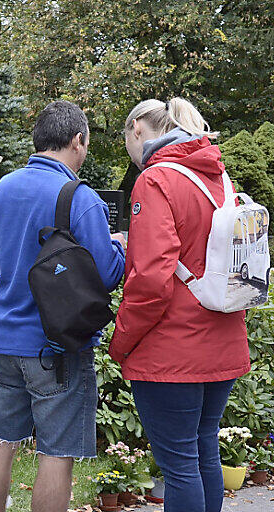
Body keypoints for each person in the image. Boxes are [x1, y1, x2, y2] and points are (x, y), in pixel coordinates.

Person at [0, 100, 126, 512]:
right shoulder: (79, 197)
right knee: (56, 453)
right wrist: (121, 247)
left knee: (1, 438)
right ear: (77, 141)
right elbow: (106, 274)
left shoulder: (1, 188)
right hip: (55, 346)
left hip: (4, 337)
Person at [110, 97, 248, 512]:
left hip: (171, 352)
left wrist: (122, 342)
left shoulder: (155, 180)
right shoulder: (219, 178)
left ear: (137, 129)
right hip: (222, 341)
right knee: (204, 450)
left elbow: (151, 280)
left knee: (180, 466)